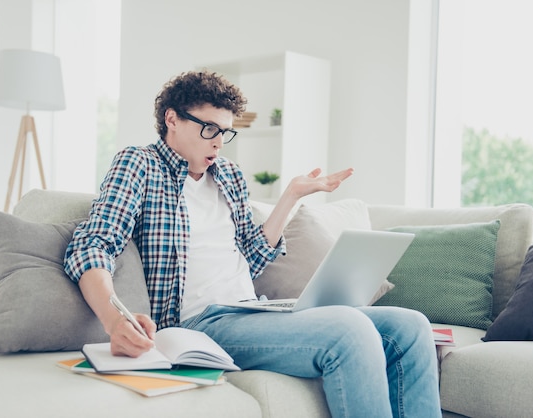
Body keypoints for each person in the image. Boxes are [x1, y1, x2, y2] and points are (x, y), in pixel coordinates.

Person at [64, 70, 441, 417]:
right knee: (348, 330)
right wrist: (115, 321)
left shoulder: (229, 175)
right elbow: (93, 244)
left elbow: (253, 256)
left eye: (226, 132)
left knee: (410, 326)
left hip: (254, 310)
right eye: (209, 129)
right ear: (172, 119)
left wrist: (290, 196)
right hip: (199, 323)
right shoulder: (139, 165)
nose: (219, 143)